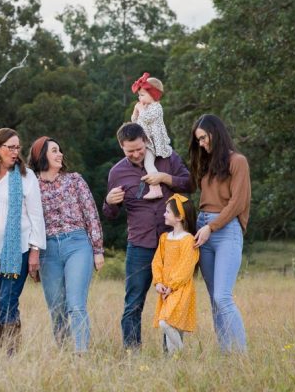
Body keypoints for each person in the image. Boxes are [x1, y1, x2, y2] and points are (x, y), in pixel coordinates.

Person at [103, 122, 192, 351]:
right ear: (121, 147)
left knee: (173, 300)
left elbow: (189, 183)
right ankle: (132, 352)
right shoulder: (117, 172)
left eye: (139, 148)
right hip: (139, 245)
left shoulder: (168, 159)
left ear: (146, 141)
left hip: (171, 243)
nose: (136, 154)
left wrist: (164, 178)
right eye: (129, 151)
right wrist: (109, 203)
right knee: (133, 302)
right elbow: (111, 215)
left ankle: (171, 353)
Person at [0, 128, 45, 355]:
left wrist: (35, 251)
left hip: (17, 251)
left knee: (7, 301)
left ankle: (9, 353)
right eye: (10, 147)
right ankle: (3, 349)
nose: (15, 152)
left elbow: (36, 215)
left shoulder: (25, 176)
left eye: (17, 147)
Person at [28, 136, 104, 354]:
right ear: (41, 155)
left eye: (60, 150)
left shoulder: (74, 180)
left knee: (76, 304)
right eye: (54, 151)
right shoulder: (30, 184)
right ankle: (64, 354)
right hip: (47, 250)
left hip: (77, 244)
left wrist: (97, 250)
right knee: (56, 307)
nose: (60, 154)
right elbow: (28, 222)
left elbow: (91, 213)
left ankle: (81, 354)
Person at [188, 114, 251, 352]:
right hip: (203, 230)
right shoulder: (206, 164)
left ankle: (241, 355)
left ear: (215, 133)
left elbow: (238, 203)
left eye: (203, 138)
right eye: (198, 140)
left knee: (223, 297)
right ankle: (227, 354)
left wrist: (211, 227)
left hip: (225, 230)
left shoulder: (238, 161)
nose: (202, 143)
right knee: (215, 300)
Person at [152, 194, 199, 354]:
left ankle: (181, 352)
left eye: (167, 212)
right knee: (172, 324)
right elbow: (157, 261)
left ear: (179, 217)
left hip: (180, 289)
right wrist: (158, 282)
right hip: (165, 288)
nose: (164, 214)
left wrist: (171, 286)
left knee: (166, 322)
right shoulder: (165, 238)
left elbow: (185, 268)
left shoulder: (188, 240)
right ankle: (174, 362)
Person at [130, 73, 173, 200]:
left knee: (149, 164)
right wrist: (136, 111)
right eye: (139, 95)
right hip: (145, 141)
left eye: (142, 95)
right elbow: (135, 121)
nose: (139, 98)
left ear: (153, 95)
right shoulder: (146, 107)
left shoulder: (156, 108)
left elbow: (147, 118)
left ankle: (156, 189)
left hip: (153, 142)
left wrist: (141, 110)